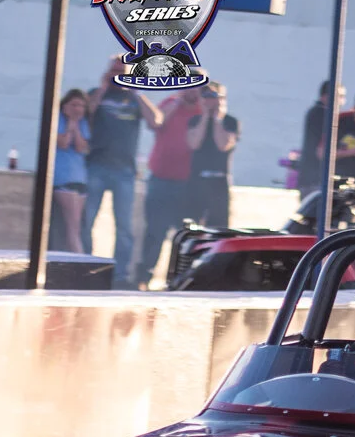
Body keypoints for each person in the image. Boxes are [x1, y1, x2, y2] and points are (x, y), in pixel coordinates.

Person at [82, 57, 160, 287]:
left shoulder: (134, 99)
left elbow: (155, 121)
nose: (117, 76)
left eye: (122, 72)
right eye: (114, 71)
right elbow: (87, 113)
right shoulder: (98, 94)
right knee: (87, 221)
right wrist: (103, 87)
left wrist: (136, 90)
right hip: (96, 165)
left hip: (125, 170)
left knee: (124, 226)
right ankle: (85, 267)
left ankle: (120, 275)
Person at [137, 86, 204, 289]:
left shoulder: (202, 111)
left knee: (185, 235)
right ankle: (144, 278)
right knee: (155, 232)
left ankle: (180, 280)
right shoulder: (171, 103)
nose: (192, 92)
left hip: (188, 183)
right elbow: (155, 122)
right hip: (161, 179)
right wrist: (176, 102)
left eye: (197, 88)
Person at [187, 81, 239, 227]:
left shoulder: (230, 122)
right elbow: (194, 144)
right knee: (193, 224)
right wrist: (205, 116)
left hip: (219, 181)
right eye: (205, 96)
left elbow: (223, 145)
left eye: (213, 96)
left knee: (218, 227)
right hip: (197, 179)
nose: (209, 100)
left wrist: (217, 118)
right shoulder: (195, 121)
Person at [51, 89, 90, 254]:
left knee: (75, 227)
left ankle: (74, 257)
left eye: (81, 106)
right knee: (72, 228)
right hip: (63, 178)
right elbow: (63, 143)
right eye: (74, 105)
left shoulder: (83, 123)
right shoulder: (58, 120)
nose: (78, 109)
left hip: (79, 179)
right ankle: (80, 259)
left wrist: (76, 125)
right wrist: (71, 123)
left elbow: (81, 147)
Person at [298, 80, 336, 198]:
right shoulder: (322, 114)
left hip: (312, 179)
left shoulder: (316, 112)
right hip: (315, 180)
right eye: (339, 96)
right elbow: (321, 151)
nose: (342, 101)